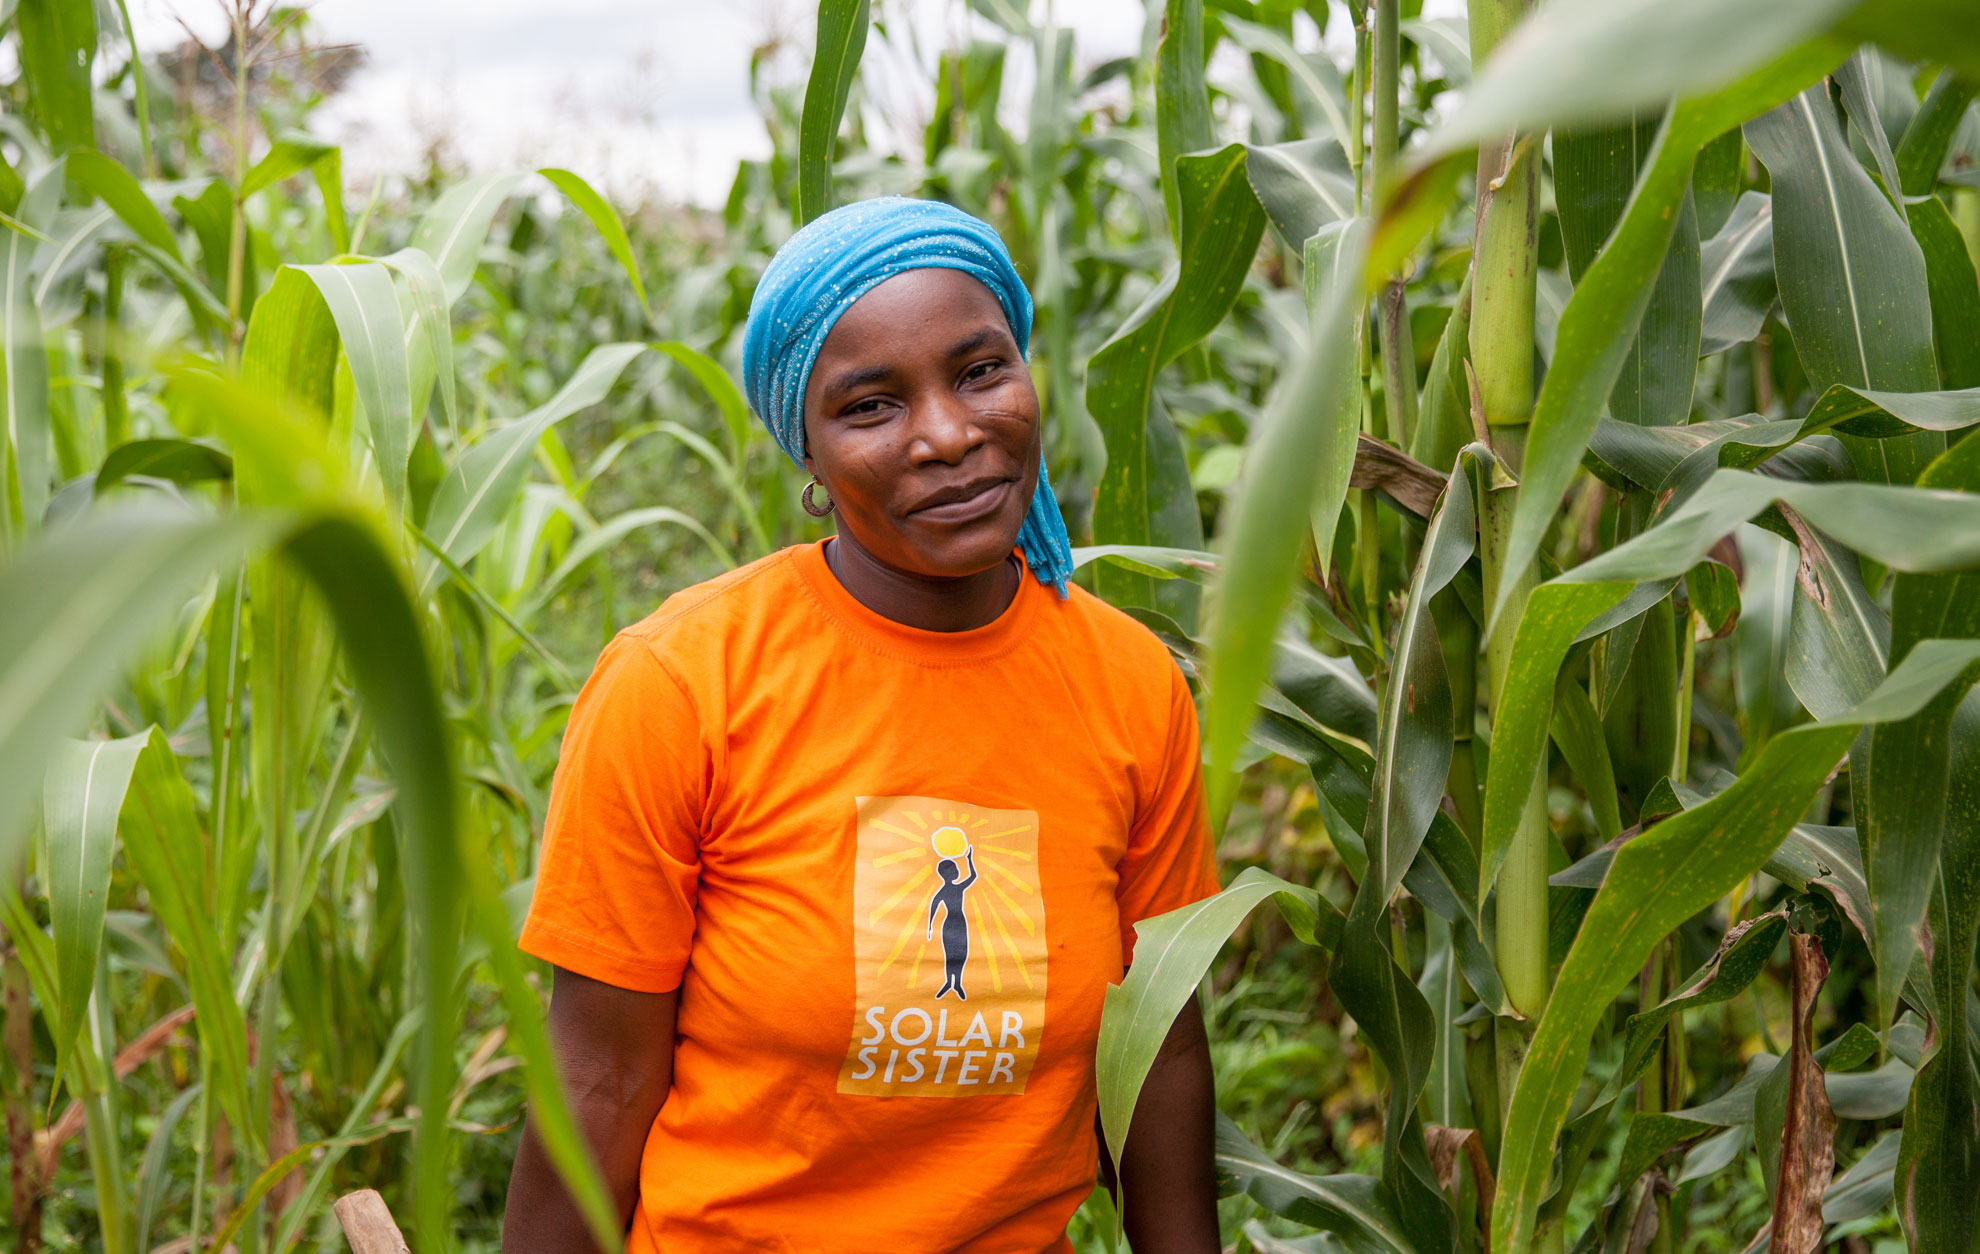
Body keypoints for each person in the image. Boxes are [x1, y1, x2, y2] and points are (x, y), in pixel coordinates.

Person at [503, 197, 1223, 1253]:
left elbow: (1160, 1052)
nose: (947, 434)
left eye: (981, 371)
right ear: (809, 450)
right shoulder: (682, 684)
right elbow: (599, 1079)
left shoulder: (1127, 682)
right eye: (872, 405)